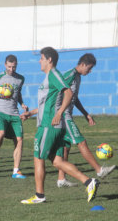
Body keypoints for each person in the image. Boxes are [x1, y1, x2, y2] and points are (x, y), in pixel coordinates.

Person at [20, 47, 99, 204]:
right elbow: (49, 102)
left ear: (49, 60)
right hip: (54, 125)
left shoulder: (54, 75)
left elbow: (68, 93)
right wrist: (31, 113)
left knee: (38, 158)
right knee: (57, 161)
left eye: (41, 58)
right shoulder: (50, 77)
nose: (39, 61)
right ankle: (89, 182)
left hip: (49, 126)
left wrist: (59, 113)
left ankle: (39, 195)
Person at [57, 53, 116, 187]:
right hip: (63, 115)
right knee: (81, 142)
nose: (89, 72)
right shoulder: (69, 75)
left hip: (66, 114)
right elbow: (56, 90)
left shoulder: (77, 77)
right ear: (82, 64)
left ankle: (61, 179)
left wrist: (85, 114)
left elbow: (74, 98)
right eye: (89, 68)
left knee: (65, 147)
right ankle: (99, 170)